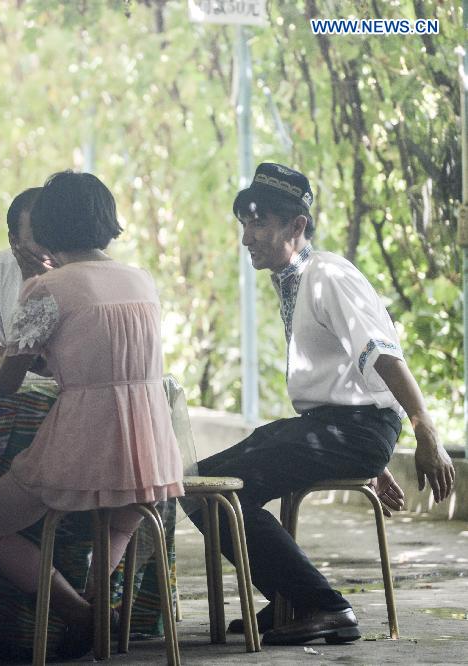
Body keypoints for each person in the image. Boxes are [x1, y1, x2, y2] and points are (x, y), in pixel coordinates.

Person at [191, 162, 456, 646]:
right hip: (337, 428)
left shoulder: (329, 275)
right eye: (245, 224)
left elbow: (384, 357)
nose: (248, 237)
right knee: (202, 484)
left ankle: (323, 606)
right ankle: (292, 597)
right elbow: (343, 377)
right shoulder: (294, 276)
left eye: (260, 224)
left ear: (297, 226)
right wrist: (363, 452)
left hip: (356, 429)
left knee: (215, 491)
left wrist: (425, 434)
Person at [0, 171, 185, 659]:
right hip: (150, 442)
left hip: (83, 438)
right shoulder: (142, 279)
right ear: (107, 222)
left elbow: (9, 380)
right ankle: (98, 611)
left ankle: (78, 614)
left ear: (46, 227)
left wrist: (32, 288)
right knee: (121, 520)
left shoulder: (47, 288)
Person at [0, 187, 55, 374]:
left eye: (54, 234)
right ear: (14, 241)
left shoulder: (77, 271)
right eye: (38, 238)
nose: (49, 246)